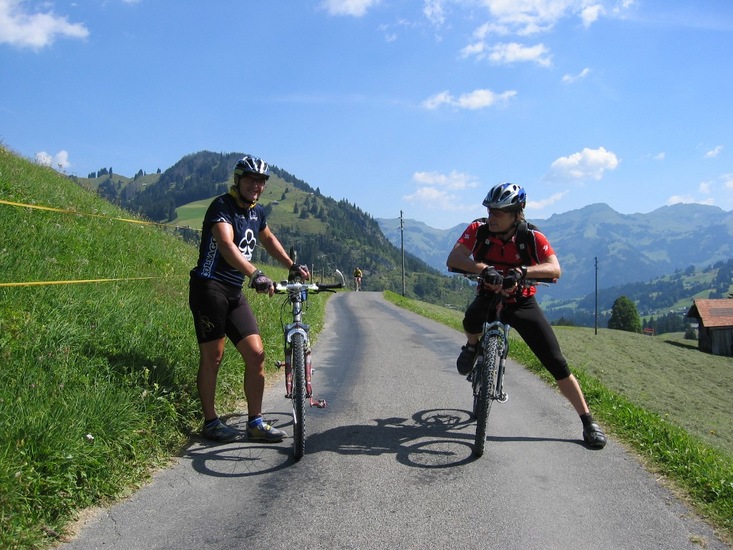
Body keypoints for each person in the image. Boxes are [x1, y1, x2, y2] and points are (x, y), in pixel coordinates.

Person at [446, 182, 607, 449]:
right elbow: (454, 258)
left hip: (521, 301)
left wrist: (522, 272)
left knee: (556, 362)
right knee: (471, 318)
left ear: (516, 213)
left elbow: (554, 268)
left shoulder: (531, 236)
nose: (491, 217)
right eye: (489, 211)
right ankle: (472, 346)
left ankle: (588, 421)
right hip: (488, 295)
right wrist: (484, 269)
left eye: (498, 212)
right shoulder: (478, 230)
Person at [189, 154, 310, 443]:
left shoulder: (257, 213)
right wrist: (255, 274)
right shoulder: (222, 206)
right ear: (238, 180)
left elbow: (268, 240)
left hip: (234, 291)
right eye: (250, 179)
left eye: (260, 181)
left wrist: (291, 265)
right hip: (209, 288)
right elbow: (226, 245)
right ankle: (211, 422)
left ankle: (255, 422)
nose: (255, 185)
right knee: (213, 356)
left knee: (256, 354)